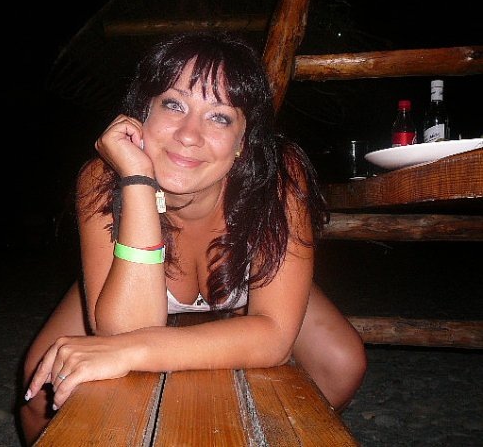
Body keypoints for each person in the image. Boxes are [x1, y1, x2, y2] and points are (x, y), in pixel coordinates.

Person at [20, 31, 366, 445]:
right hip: (123, 274)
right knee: (41, 388)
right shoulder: (103, 177)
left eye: (219, 117)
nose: (189, 134)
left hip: (253, 278)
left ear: (243, 141)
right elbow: (124, 333)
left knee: (342, 364)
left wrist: (137, 352)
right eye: (174, 104)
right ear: (141, 113)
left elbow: (274, 335)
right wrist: (138, 181)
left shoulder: (277, 177)